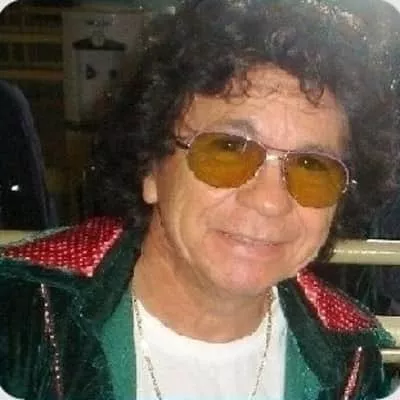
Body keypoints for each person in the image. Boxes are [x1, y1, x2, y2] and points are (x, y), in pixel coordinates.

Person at [1, 0, 400, 399]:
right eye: (228, 148)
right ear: (151, 165)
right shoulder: (25, 318)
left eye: (312, 166)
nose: (270, 202)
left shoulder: (352, 364)